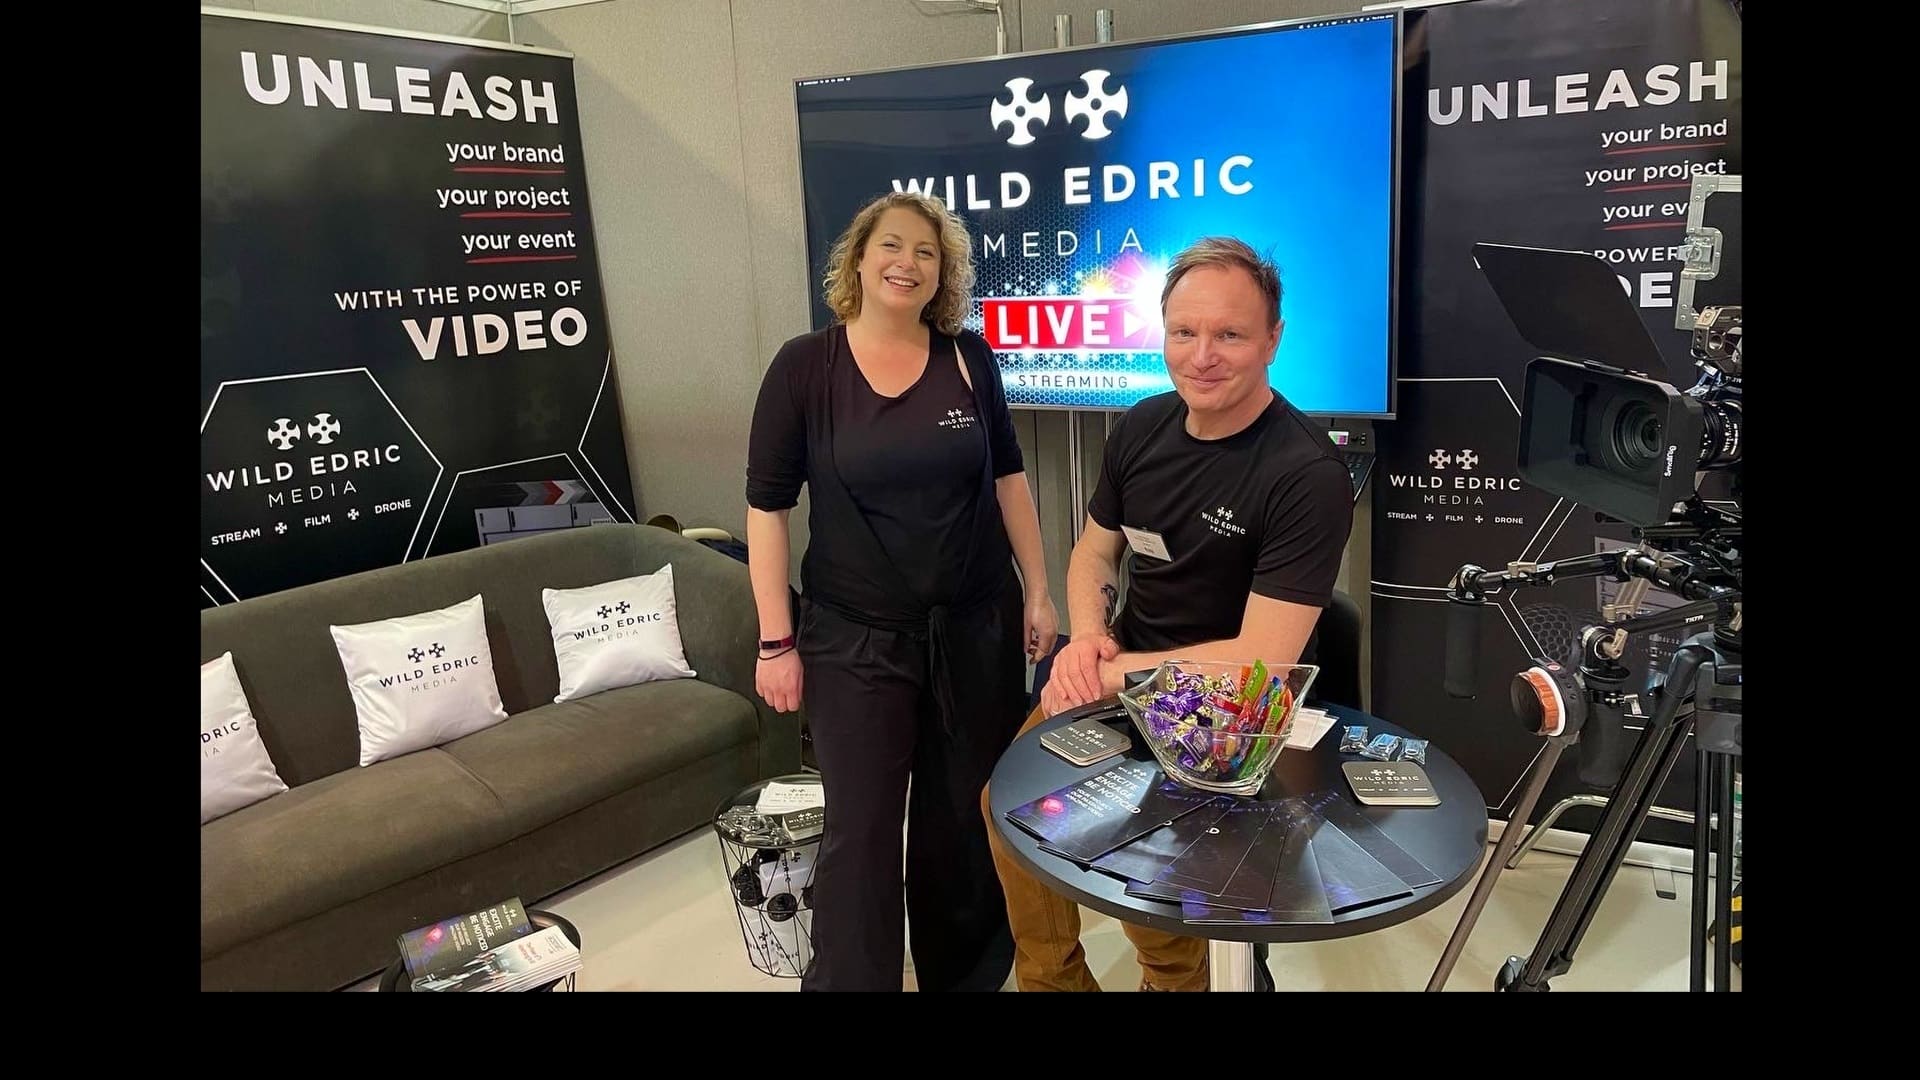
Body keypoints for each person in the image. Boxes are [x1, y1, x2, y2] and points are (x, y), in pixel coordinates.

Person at [983, 236, 1354, 991]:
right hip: (1120, 672)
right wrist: (1090, 639)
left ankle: (1176, 978)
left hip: (1231, 714)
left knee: (1150, 864)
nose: (1202, 356)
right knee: (1008, 805)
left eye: (1230, 335)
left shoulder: (1306, 473)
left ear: (1273, 339)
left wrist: (1109, 670)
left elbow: (1258, 662)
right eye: (1184, 332)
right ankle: (1054, 981)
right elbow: (1094, 555)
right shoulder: (1143, 426)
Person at [746, 191, 1058, 992]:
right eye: (891, 245)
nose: (907, 263)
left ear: (942, 273)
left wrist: (1038, 590)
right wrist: (776, 641)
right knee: (862, 832)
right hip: (854, 639)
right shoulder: (804, 368)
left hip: (974, 629)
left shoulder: (969, 358)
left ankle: (968, 978)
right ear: (857, 258)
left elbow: (1010, 479)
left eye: (927, 252)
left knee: (964, 819)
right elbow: (766, 510)